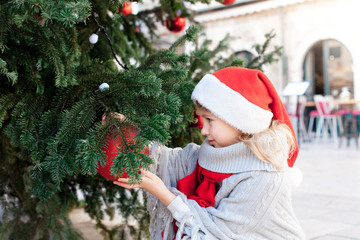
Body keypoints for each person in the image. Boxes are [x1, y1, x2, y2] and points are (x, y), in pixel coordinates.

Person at [114, 67, 305, 239]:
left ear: (238, 120)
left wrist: (166, 196)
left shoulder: (263, 178)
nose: (203, 130)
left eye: (209, 120)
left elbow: (217, 234)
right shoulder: (211, 154)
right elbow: (170, 160)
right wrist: (128, 135)